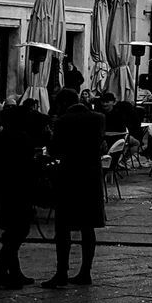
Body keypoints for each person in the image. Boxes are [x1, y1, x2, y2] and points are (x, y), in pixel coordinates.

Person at [45, 89, 105, 288]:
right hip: (91, 178)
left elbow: (54, 150)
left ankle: (62, 272)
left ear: (62, 104)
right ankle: (85, 272)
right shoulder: (98, 119)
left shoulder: (62, 121)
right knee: (88, 228)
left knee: (63, 228)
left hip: (69, 178)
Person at [0, 100, 46, 288]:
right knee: (18, 231)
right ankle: (3, 274)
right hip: (19, 190)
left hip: (2, 188)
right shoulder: (23, 139)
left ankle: (7, 273)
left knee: (12, 231)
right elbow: (27, 166)